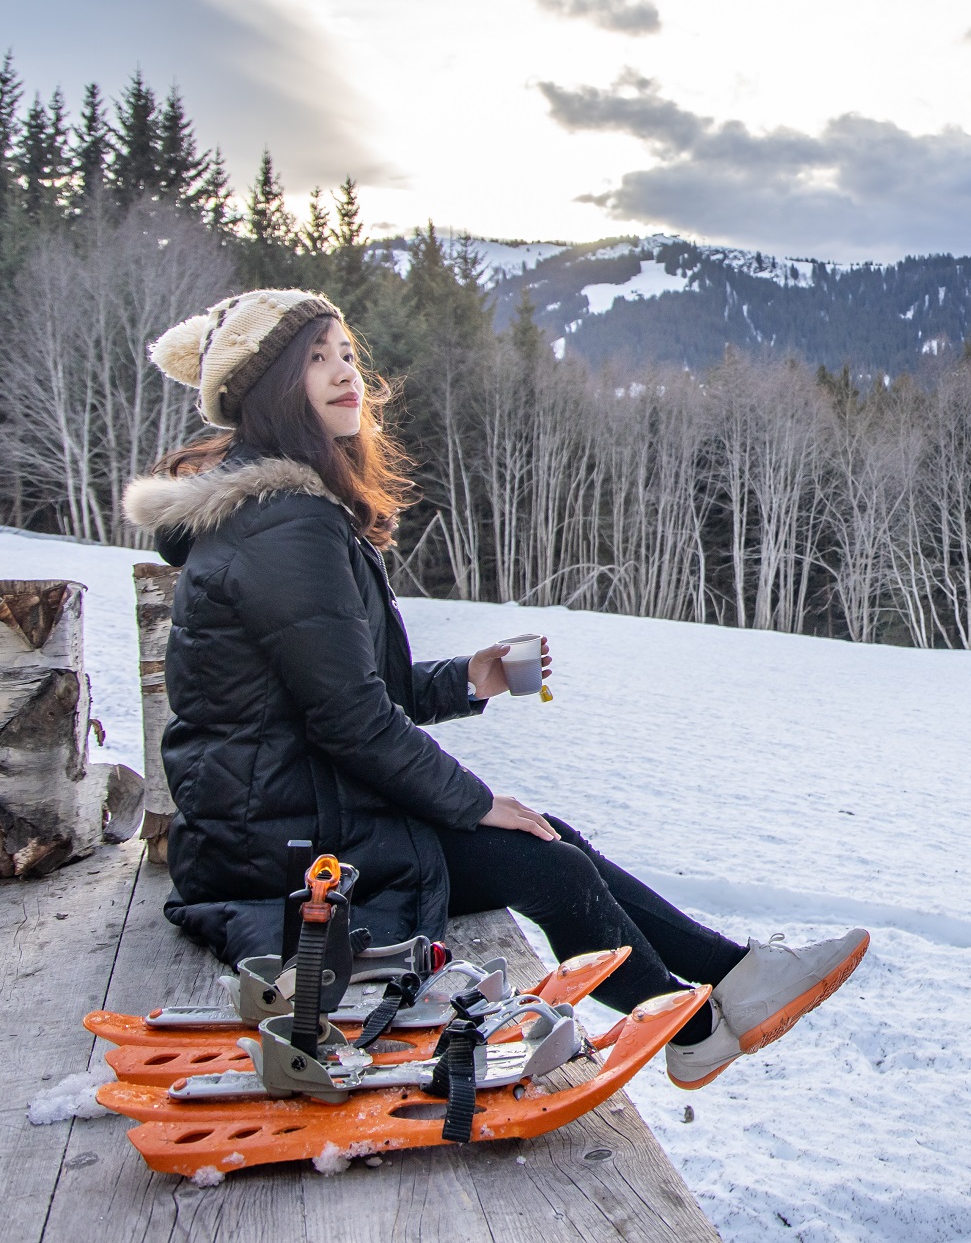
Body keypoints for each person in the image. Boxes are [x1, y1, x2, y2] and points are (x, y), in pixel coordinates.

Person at [122, 288, 867, 1088]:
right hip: (280, 848)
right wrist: (473, 802)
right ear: (265, 388)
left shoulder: (280, 512)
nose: (346, 376)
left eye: (345, 354)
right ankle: (689, 1029)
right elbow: (348, 717)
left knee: (553, 840)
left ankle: (735, 979)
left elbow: (342, 687)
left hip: (293, 814)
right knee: (548, 864)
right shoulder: (284, 525)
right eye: (314, 359)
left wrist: (466, 680)